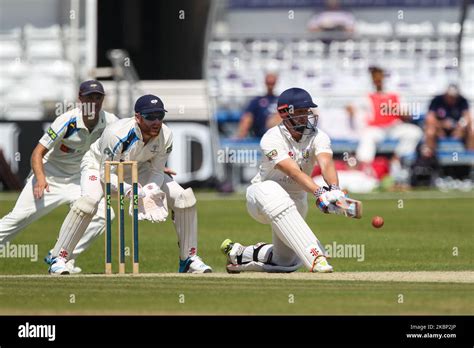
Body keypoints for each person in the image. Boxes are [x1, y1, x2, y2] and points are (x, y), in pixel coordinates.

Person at [48, 94, 212, 275]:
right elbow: (106, 173)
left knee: (184, 198)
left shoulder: (166, 135)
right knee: (87, 203)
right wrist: (130, 191)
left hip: (138, 168)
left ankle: (188, 259)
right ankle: (59, 258)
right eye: (150, 117)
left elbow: (157, 171)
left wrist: (150, 190)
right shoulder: (116, 134)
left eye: (160, 116)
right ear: (138, 117)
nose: (156, 122)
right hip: (99, 167)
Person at [220, 88, 352, 273]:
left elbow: (326, 163)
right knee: (273, 191)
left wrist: (335, 190)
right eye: (298, 112)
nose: (305, 117)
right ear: (284, 113)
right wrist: (321, 193)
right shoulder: (271, 138)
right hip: (262, 197)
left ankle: (241, 252)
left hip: (296, 200)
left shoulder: (318, 136)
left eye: (306, 112)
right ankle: (316, 257)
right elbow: (293, 172)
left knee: (285, 262)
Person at [0, 80, 118, 273]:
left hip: (80, 181)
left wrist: (148, 166)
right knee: (18, 218)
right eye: (89, 97)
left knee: (104, 215)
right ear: (80, 99)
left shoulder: (111, 121)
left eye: (98, 98)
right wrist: (40, 178)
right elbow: (37, 153)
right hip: (50, 178)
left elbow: (128, 146)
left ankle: (60, 256)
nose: (94, 102)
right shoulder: (67, 120)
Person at [347, 66, 423, 182]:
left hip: (394, 127)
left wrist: (400, 112)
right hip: (376, 128)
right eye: (375, 77)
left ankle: (397, 159)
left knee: (415, 132)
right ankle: (365, 168)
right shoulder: (366, 96)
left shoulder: (394, 94)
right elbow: (357, 112)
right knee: (368, 137)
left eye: (380, 77)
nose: (378, 80)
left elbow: (407, 114)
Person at [423, 84, 474, 158]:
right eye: (450, 97)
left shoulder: (462, 101)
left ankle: (470, 157)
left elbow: (467, 117)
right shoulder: (437, 100)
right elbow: (429, 118)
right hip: (439, 129)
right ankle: (430, 157)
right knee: (430, 131)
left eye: (454, 97)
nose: (452, 99)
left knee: (472, 130)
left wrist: (460, 126)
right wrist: (441, 125)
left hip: (458, 129)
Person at [235, 73, 279, 139]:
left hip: (277, 132)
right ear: (265, 82)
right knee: (247, 117)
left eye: (272, 83)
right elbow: (247, 116)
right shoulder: (257, 100)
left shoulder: (280, 99)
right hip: (262, 132)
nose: (270, 85)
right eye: (268, 82)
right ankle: (239, 138)